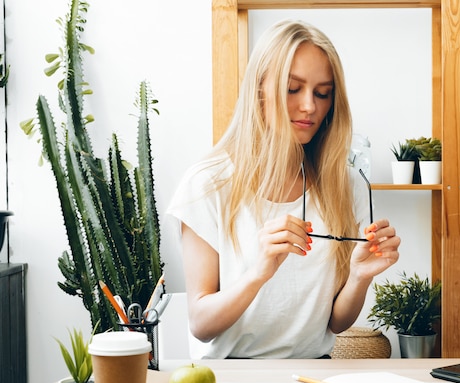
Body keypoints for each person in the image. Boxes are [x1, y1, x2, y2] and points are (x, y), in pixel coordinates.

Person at [168, 19, 401, 359]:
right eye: (293, 89)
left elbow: (335, 323)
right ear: (259, 91)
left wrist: (359, 277)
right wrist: (259, 272)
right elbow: (201, 323)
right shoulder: (208, 183)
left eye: (323, 93)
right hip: (230, 379)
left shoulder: (345, 185)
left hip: (313, 377)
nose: (310, 106)